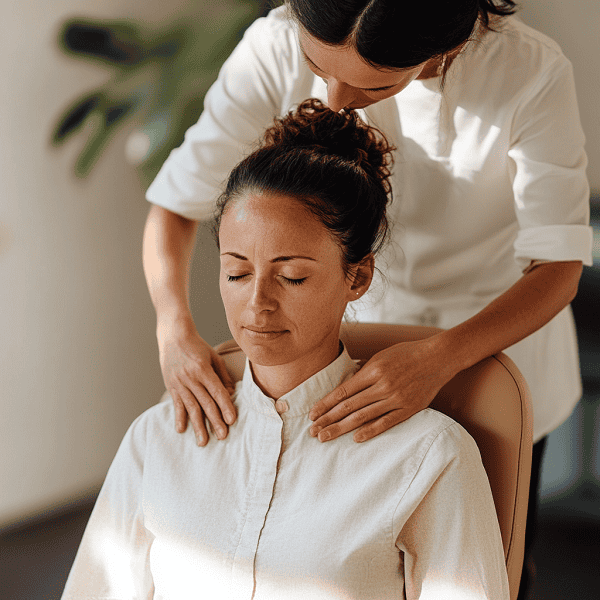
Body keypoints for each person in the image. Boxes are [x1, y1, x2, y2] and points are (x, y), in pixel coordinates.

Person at [142, 2, 593, 598]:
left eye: (374, 84)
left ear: (444, 47)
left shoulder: (529, 71)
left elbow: (558, 266)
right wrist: (173, 329)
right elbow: (176, 203)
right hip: (344, 347)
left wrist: (440, 357)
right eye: (317, 66)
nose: (333, 98)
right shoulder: (273, 45)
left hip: (490, 344)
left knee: (491, 568)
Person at [62, 101, 509, 599]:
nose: (257, 304)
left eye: (292, 276)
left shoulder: (426, 454)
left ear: (356, 276)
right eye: (236, 273)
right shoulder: (159, 438)